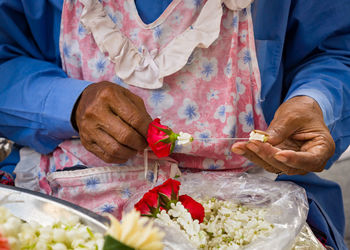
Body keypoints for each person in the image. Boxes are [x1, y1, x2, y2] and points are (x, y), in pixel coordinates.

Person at [0, 0, 349, 248]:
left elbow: (334, 52)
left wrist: (316, 100)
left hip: (254, 210)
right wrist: (69, 104)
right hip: (68, 206)